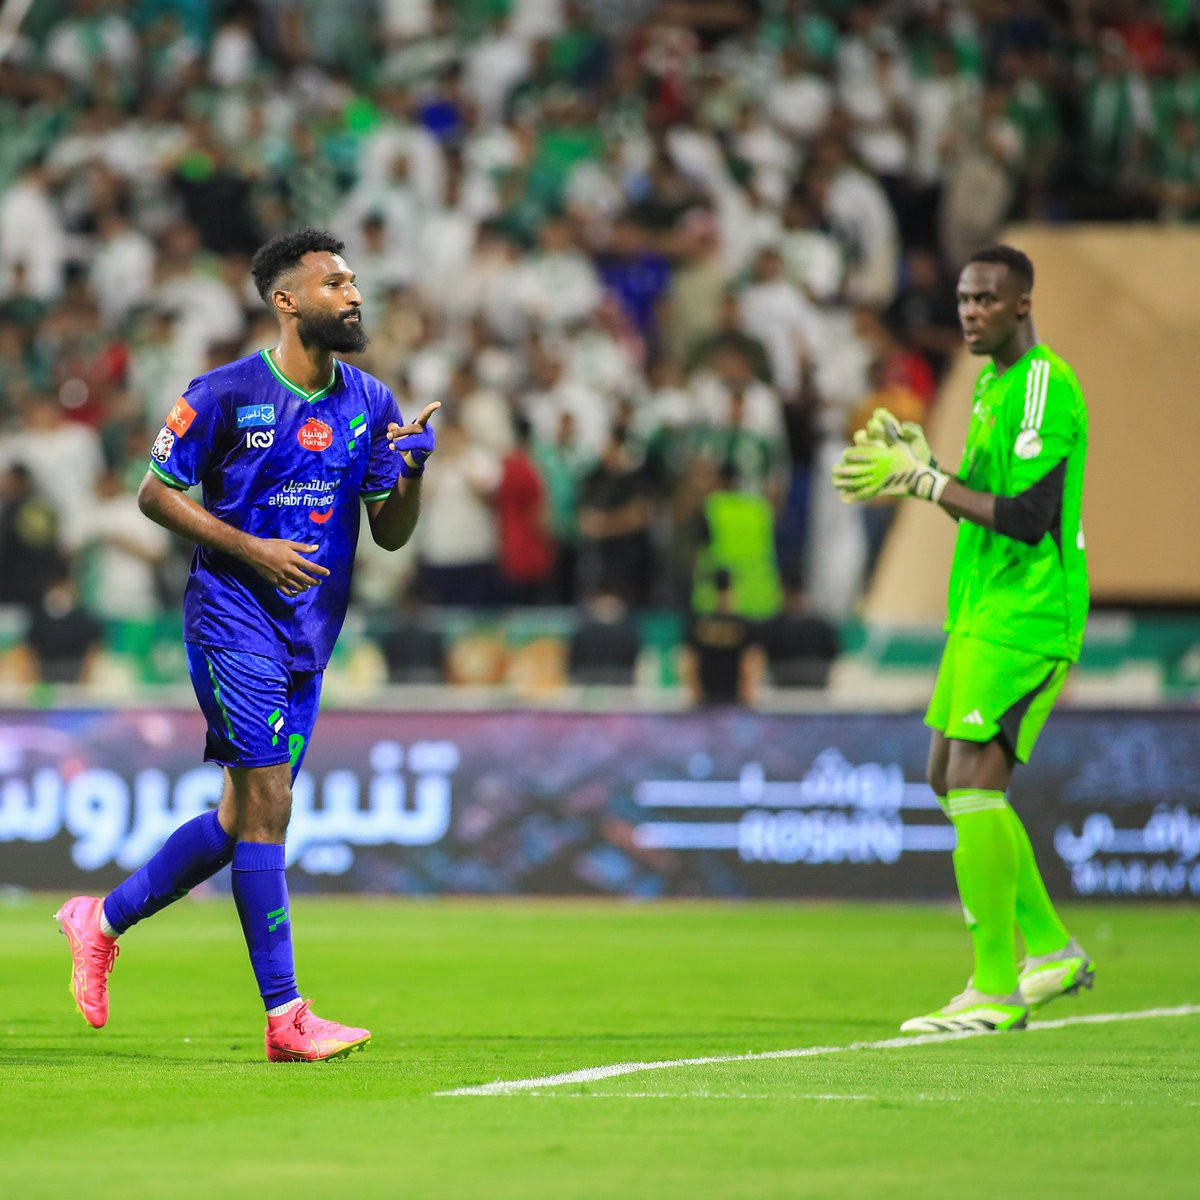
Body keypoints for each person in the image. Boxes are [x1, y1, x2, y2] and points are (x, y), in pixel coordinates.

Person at [54, 228, 439, 1062]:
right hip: (233, 622)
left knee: (240, 819)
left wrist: (410, 471)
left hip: (308, 639)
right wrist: (253, 549)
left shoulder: (370, 401)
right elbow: (155, 494)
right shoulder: (224, 393)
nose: (354, 295)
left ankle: (100, 919)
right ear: (287, 300)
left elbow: (391, 533)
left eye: (354, 282)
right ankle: (285, 1017)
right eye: (335, 283)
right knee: (270, 804)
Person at [833, 244, 1094, 1034]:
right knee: (947, 779)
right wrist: (929, 468)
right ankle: (1048, 949)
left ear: (1023, 304)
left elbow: (1028, 519)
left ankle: (994, 987)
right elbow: (981, 499)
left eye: (987, 299)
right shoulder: (988, 386)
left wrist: (925, 481)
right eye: (963, 299)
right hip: (982, 609)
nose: (972, 312)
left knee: (975, 781)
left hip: (1028, 610)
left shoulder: (1042, 384)